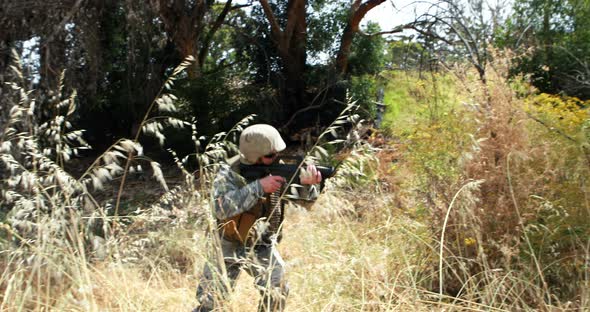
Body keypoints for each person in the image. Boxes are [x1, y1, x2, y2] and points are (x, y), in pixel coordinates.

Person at [194, 124, 323, 312]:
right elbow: (220, 208)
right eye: (270, 155)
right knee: (211, 302)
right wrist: (258, 187)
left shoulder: (277, 169)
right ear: (254, 155)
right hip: (227, 243)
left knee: (277, 290)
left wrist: (307, 185)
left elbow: (306, 202)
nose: (276, 158)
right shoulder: (229, 172)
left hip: (261, 243)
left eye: (276, 153)